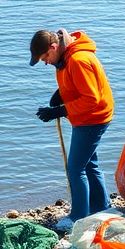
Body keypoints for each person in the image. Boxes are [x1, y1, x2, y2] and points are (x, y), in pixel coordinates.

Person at [30, 28, 115, 231]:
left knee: (75, 169)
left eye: (46, 57)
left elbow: (90, 99)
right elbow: (80, 84)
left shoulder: (78, 60)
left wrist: (60, 110)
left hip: (92, 119)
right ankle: (101, 208)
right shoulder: (66, 57)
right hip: (90, 118)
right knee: (88, 164)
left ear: (53, 46)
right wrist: (62, 92)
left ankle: (78, 216)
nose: (46, 62)